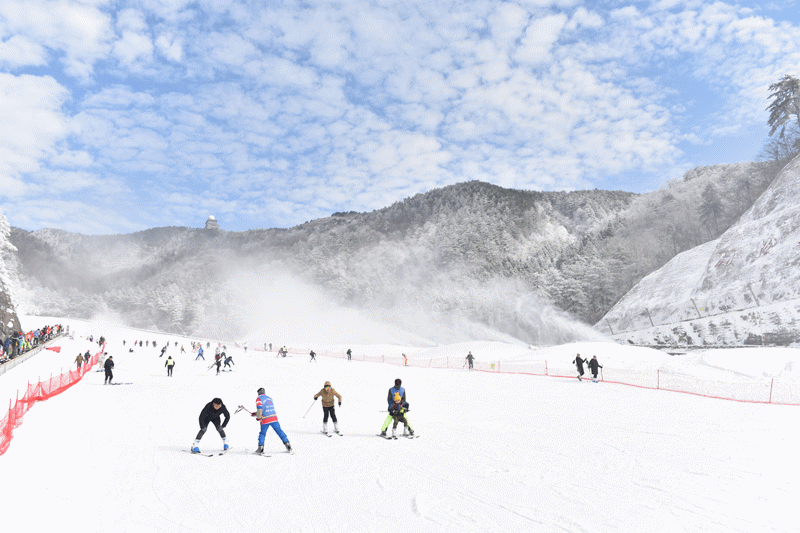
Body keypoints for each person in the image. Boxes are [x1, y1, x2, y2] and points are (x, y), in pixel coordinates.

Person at [253, 387, 292, 454]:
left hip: (265, 419)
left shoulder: (259, 399)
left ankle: (261, 448)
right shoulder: (269, 398)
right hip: (274, 418)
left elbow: (260, 409)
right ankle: (287, 444)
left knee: (262, 433)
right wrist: (256, 413)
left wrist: (258, 417)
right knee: (280, 431)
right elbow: (266, 408)